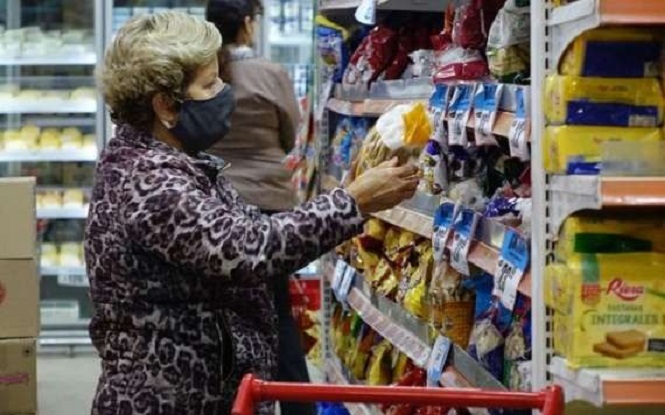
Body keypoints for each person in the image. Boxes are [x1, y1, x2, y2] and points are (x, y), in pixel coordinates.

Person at [86, 10, 419, 415]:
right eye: (210, 84)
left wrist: (348, 196)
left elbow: (251, 227)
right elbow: (247, 249)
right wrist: (353, 202)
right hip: (168, 400)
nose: (225, 92)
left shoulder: (176, 162)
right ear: (166, 106)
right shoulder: (149, 180)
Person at [205, 1, 314, 414]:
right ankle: (298, 407)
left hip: (215, 205)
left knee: (221, 312)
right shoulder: (270, 73)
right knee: (278, 311)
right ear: (248, 25)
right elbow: (290, 135)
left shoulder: (203, 75)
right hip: (270, 202)